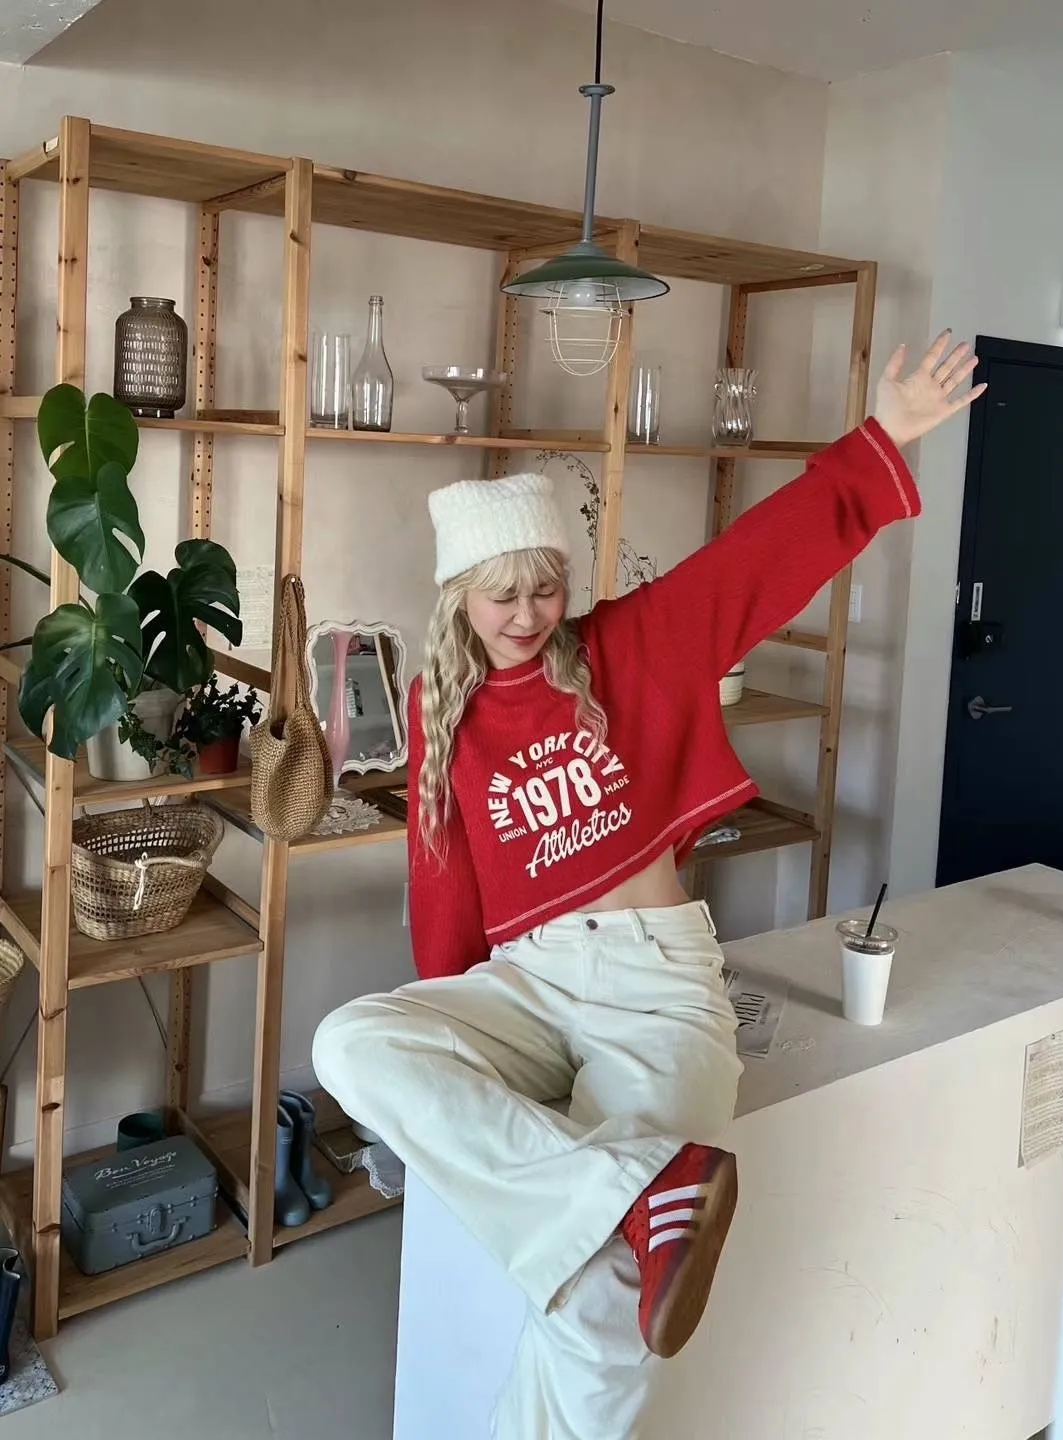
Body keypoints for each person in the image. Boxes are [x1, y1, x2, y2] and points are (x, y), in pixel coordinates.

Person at [313, 333, 985, 1439]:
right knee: (352, 1043)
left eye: (544, 588)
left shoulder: (629, 647)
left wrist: (885, 436)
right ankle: (639, 1187)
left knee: (602, 1309)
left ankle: (631, 1205)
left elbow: (758, 561)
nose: (526, 616)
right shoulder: (441, 709)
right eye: (500, 596)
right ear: (458, 598)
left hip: (653, 985)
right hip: (524, 984)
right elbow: (444, 887)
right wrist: (456, 1033)